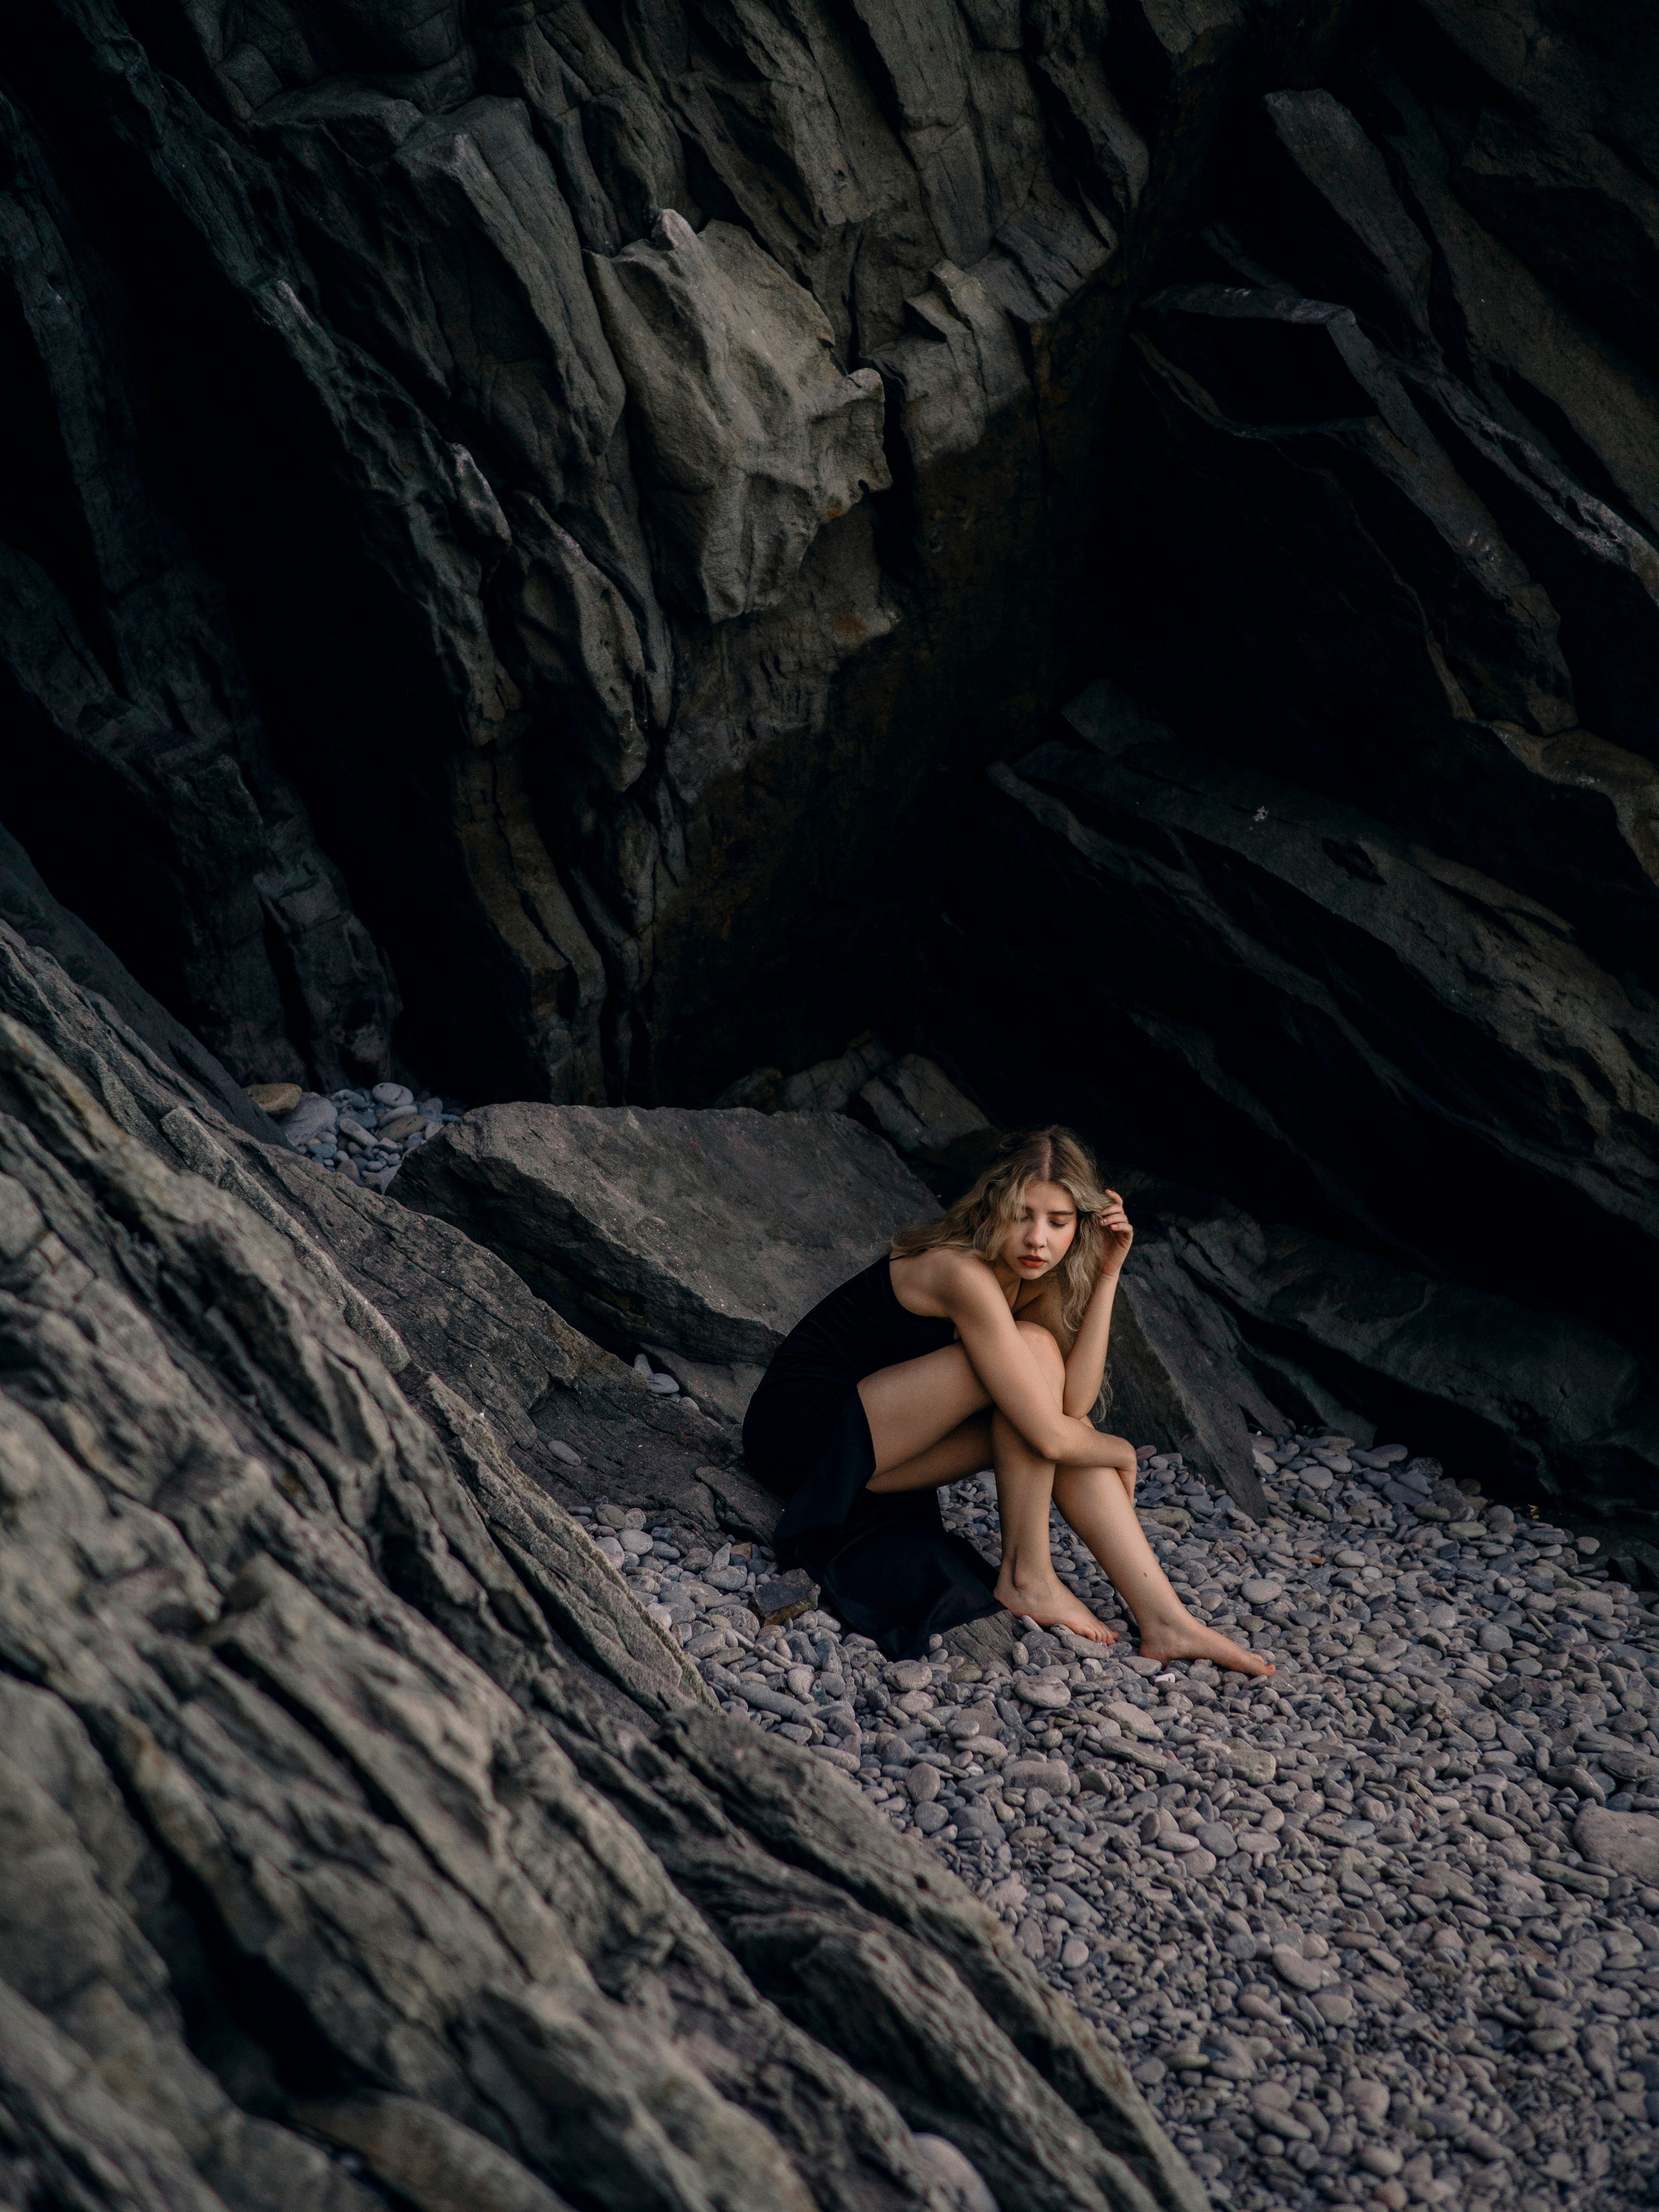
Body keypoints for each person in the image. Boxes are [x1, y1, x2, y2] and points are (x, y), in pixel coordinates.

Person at [743, 1124, 1273, 1671]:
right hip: (806, 1433)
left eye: (1058, 1221)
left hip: (878, 1456)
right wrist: (1122, 1451)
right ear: (993, 1207)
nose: (1037, 1238)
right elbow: (1050, 1431)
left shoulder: (1034, 1279)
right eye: (1022, 1215)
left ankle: (1166, 1620)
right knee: (1038, 1356)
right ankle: (1029, 1575)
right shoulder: (960, 1272)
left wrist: (1109, 1273)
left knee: (1042, 1368)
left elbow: (1070, 1405)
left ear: (1081, 1225)